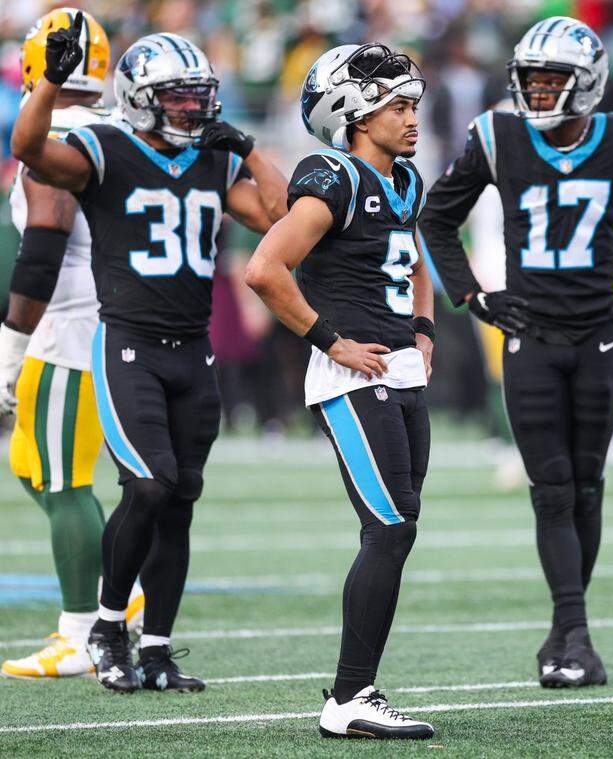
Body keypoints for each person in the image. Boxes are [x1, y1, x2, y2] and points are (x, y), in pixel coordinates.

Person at [418, 16, 613, 689]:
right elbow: (435, 215)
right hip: (531, 336)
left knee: (587, 485)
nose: (539, 93)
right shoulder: (498, 136)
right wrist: (473, 295)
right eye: (532, 81)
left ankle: (565, 629)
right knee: (551, 487)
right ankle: (572, 629)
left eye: (553, 81)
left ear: (587, 84)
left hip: (599, 337)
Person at [10, 16, 287, 693]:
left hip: (193, 351)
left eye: (200, 94)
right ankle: (105, 625)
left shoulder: (214, 156)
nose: (194, 107)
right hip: (127, 342)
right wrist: (49, 81)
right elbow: (30, 146)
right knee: (150, 482)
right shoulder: (104, 145)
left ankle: (157, 646)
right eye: (178, 95)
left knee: (181, 498)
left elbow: (278, 212)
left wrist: (247, 147)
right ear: (139, 96)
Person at [244, 42, 436, 741]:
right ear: (354, 114)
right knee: (388, 527)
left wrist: (423, 331)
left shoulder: (405, 181)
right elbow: (266, 269)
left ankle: (358, 689)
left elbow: (415, 259)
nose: (412, 117)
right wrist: (331, 341)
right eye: (397, 106)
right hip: (353, 378)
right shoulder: (333, 178)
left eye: (413, 103)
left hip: (400, 375)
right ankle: (350, 694)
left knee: (400, 526)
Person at [0, 7, 146, 681]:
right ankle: (118, 592)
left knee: (63, 483)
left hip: (70, 332)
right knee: (34, 466)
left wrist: (11, 338)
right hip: (120, 326)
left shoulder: (56, 135)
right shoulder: (122, 132)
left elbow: (44, 250)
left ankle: (83, 627)